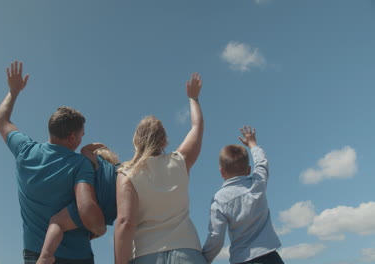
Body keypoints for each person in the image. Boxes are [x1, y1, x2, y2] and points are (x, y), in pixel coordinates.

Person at [0, 61, 105, 264]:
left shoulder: (25, 150)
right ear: (72, 136)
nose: (82, 139)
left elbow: (1, 120)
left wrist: (14, 91)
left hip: (35, 256)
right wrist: (99, 227)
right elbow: (87, 207)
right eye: (81, 135)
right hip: (76, 257)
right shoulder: (80, 164)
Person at [114, 73, 206, 264]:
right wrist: (193, 98)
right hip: (187, 251)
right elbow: (197, 127)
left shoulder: (127, 174)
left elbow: (125, 222)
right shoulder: (180, 161)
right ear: (164, 140)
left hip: (145, 254)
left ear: (136, 141)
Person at [202, 126, 284, 264]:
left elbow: (216, 238)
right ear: (249, 170)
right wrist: (253, 144)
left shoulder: (219, 200)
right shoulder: (258, 184)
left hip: (243, 259)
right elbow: (262, 163)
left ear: (221, 172)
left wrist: (204, 259)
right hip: (270, 257)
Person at [37, 145, 120, 264]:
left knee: (57, 222)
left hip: (91, 205)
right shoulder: (118, 172)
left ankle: (46, 256)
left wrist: (98, 145)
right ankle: (89, 234)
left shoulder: (98, 162)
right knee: (99, 230)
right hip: (107, 214)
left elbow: (84, 150)